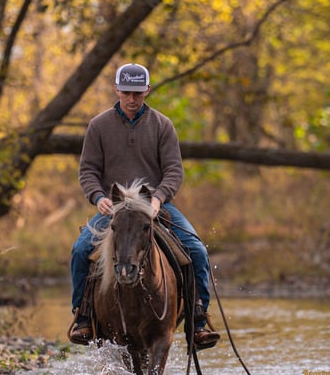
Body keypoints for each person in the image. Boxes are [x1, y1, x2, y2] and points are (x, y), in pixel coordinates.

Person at [68, 62, 220, 350]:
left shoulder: (163, 125)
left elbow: (174, 170)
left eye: (137, 93)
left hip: (155, 207)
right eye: (126, 92)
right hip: (115, 209)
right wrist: (98, 196)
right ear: (116, 90)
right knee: (80, 251)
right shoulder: (98, 126)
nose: (132, 99)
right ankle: (83, 317)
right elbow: (87, 170)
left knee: (197, 250)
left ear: (147, 90)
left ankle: (198, 322)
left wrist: (158, 198)